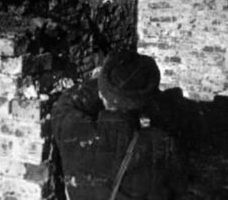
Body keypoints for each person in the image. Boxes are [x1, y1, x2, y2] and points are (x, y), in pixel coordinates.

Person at [52, 51, 190, 199]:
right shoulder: (161, 146)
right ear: (145, 101)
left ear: (101, 94)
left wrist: (104, 83)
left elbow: (66, 102)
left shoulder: (72, 130)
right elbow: (179, 189)